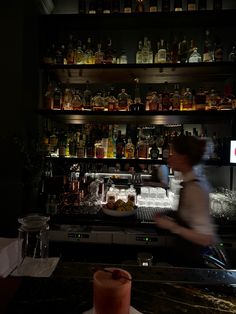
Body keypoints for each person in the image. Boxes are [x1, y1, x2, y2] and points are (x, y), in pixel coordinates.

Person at [154, 135, 229, 268]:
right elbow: (190, 214)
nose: (169, 157)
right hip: (190, 256)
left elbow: (205, 238)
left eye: (173, 153)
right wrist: (170, 213)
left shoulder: (195, 189)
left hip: (199, 261)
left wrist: (172, 226)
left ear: (183, 158)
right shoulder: (191, 182)